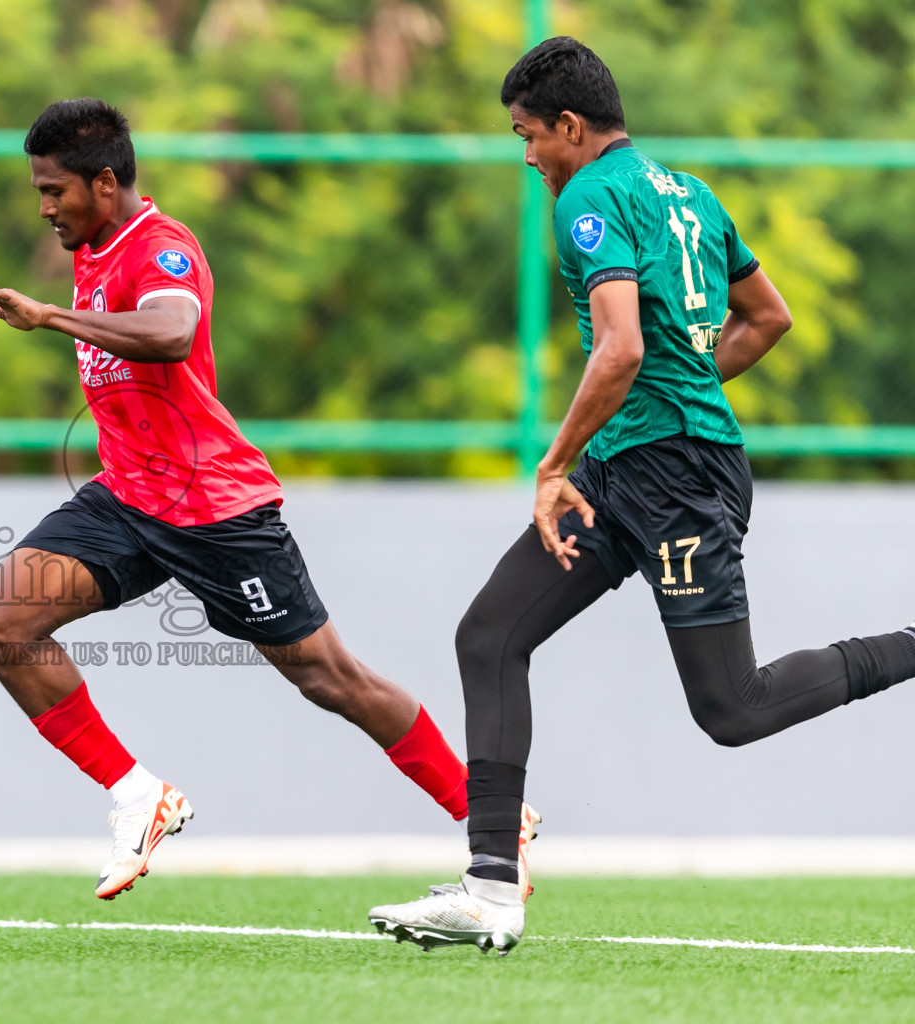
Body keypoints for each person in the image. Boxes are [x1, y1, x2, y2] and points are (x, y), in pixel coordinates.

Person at [368, 37, 915, 955]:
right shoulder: (689, 193)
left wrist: (554, 465)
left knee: (731, 710)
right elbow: (768, 316)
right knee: (491, 636)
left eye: (528, 136)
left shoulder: (587, 196)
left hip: (671, 482)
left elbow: (618, 349)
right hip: (633, 469)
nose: (527, 155)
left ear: (571, 127)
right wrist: (680, 400)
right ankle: (491, 885)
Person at [0, 98, 534, 901]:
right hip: (128, 498)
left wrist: (51, 316)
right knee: (0, 623)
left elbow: (171, 334)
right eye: (38, 192)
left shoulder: (161, 248)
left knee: (332, 679)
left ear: (104, 181)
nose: (45, 208)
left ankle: (487, 816)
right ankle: (136, 795)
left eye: (55, 192)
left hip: (215, 512)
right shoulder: (92, 247)